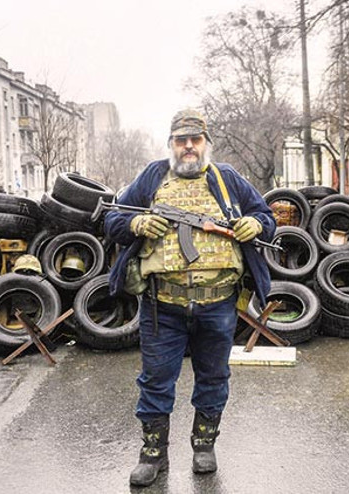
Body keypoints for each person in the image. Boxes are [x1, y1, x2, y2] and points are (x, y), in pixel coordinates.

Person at [105, 109, 275, 487]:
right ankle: (153, 454)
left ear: (205, 144)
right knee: (155, 381)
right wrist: (136, 223)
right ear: (171, 145)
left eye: (194, 140)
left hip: (218, 304)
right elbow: (112, 219)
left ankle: (204, 445)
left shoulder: (225, 178)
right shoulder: (153, 177)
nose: (188, 147)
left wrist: (256, 223)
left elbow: (265, 215)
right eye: (180, 140)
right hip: (161, 304)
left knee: (214, 377)